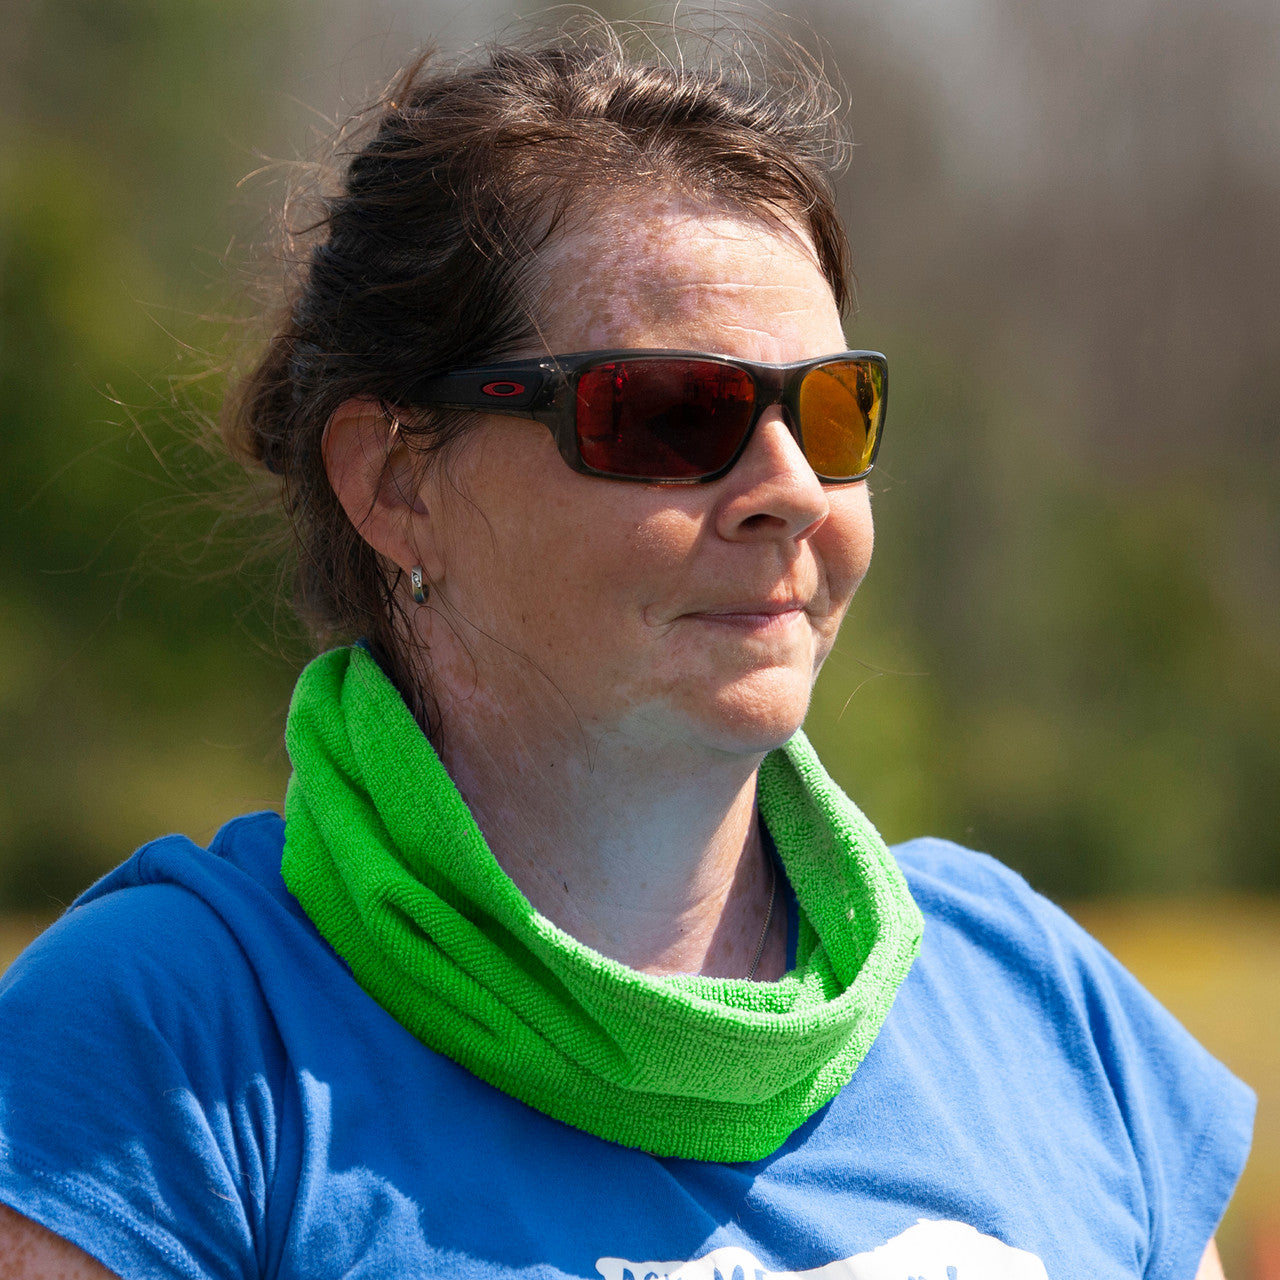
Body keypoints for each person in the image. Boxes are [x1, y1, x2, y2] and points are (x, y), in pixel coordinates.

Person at [0, 21, 1254, 1280]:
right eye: (668, 412)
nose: (790, 488)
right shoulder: (158, 1044)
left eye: (831, 410)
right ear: (392, 481)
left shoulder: (1041, 1002)